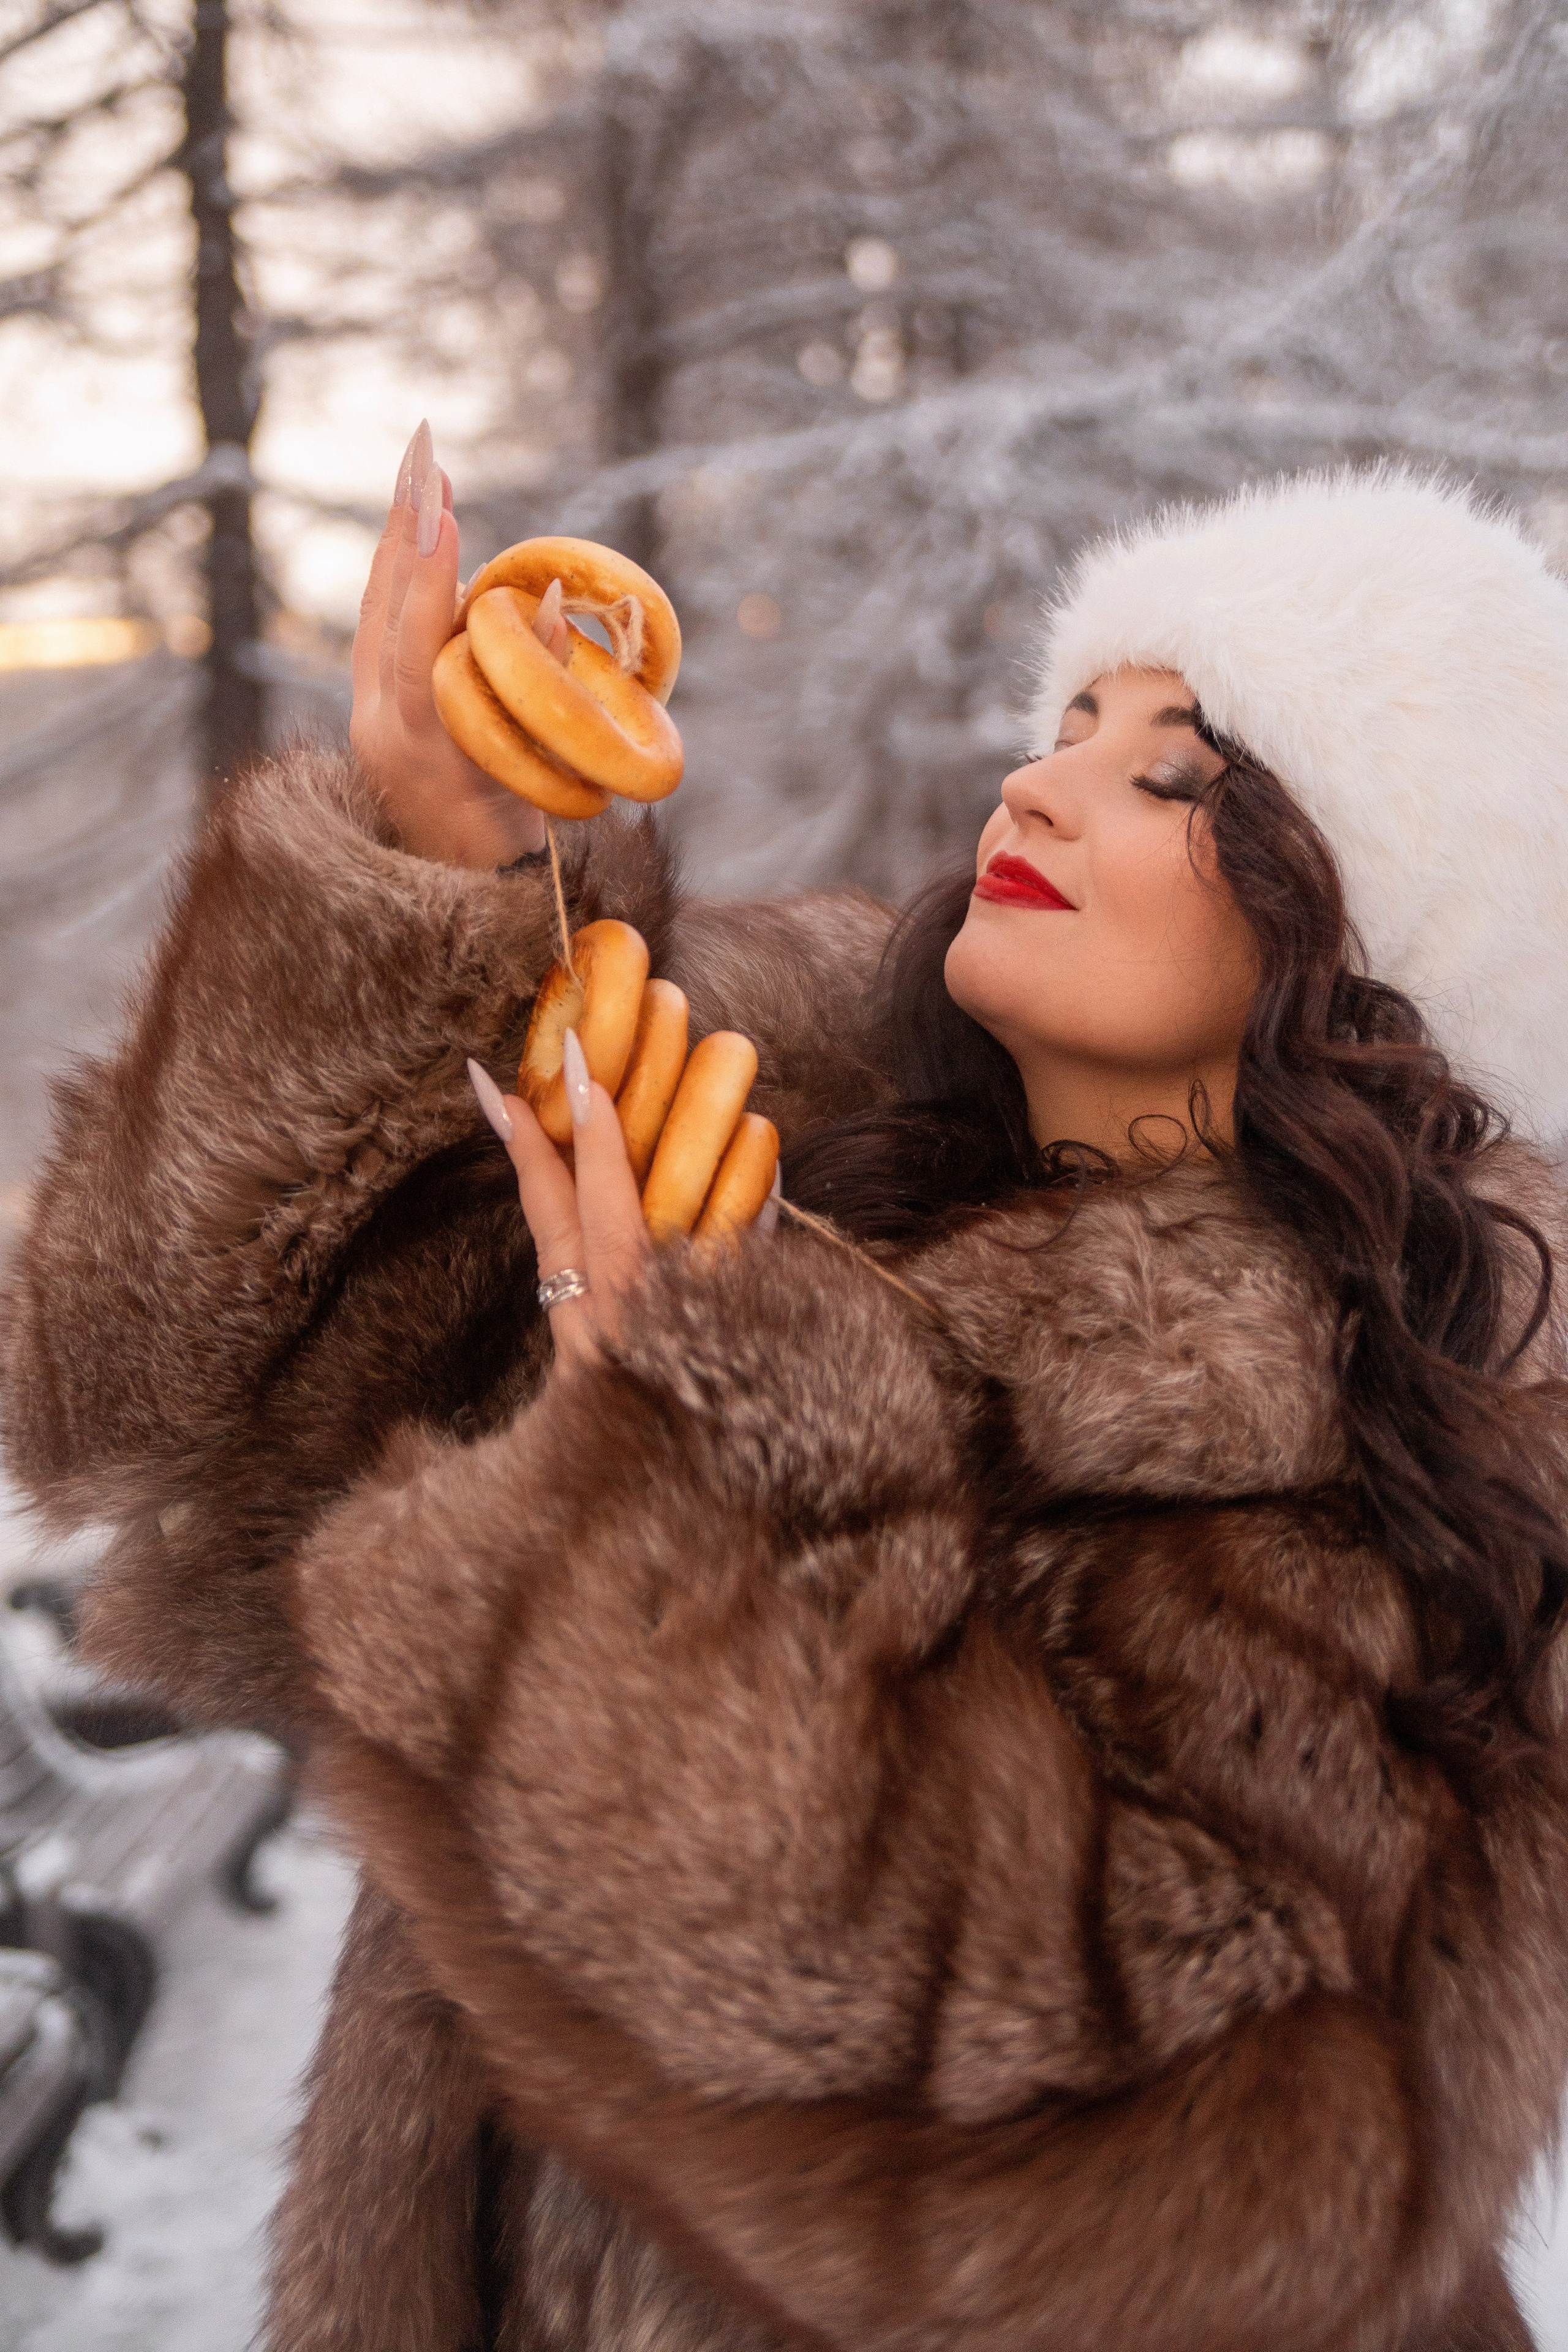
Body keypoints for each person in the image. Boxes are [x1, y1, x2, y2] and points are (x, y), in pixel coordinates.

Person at [5, 459, 1568, 2351]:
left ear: (1367, 950)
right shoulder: (766, 1129)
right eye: (1072, 721)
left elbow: (1153, 2184)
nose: (1041, 780)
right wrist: (424, 893)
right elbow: (164, 1421)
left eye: (1174, 774)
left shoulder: (1414, 1469)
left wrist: (680, 1445)